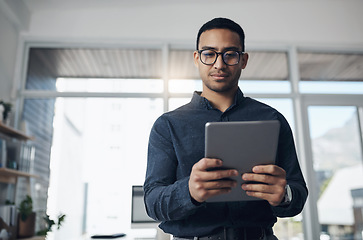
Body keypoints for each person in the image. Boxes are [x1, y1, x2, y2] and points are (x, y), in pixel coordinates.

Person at [144, 17, 308, 240]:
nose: (219, 64)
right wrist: (189, 191)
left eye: (230, 54)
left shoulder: (272, 119)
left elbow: (297, 192)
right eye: (209, 53)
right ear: (197, 58)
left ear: (243, 60)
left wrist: (284, 194)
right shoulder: (168, 125)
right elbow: (152, 203)